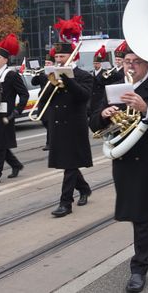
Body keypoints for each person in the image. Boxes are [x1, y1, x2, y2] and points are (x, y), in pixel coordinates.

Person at [89, 47, 148, 293]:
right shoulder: (115, 87)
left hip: (147, 160)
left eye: (137, 62)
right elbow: (93, 121)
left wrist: (146, 108)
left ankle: (138, 269)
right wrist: (104, 114)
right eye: (127, 61)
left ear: (147, 65)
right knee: (136, 211)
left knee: (140, 214)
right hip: (123, 159)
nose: (131, 66)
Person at [48, 40, 94, 217]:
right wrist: (48, 81)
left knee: (70, 164)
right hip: (58, 124)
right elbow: (45, 100)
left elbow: (84, 96)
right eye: (57, 56)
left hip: (74, 125)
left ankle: (65, 202)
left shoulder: (83, 75)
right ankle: (84, 188)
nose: (59, 59)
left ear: (72, 56)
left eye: (62, 56)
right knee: (68, 162)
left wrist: (68, 80)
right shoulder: (53, 74)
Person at [0, 34, 29, 186]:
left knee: (0, 145)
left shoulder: (11, 75)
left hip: (6, 115)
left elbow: (24, 94)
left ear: (5, 59)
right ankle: (16, 165)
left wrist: (17, 111)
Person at [89, 45, 108, 115]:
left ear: (100, 64)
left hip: (101, 98)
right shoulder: (91, 73)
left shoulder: (105, 72)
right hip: (92, 99)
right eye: (94, 64)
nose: (95, 65)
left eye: (97, 63)